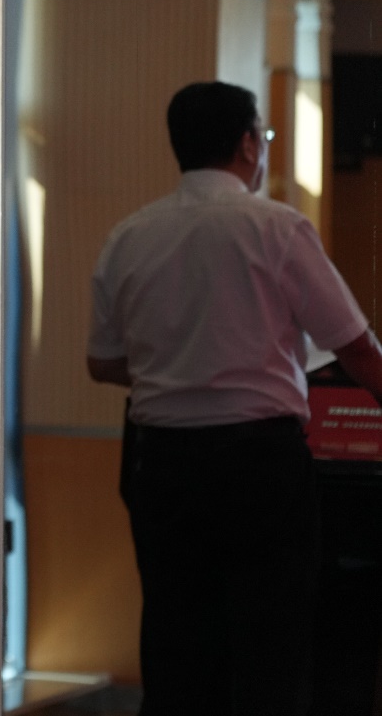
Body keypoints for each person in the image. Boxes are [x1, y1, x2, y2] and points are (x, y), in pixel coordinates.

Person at [86, 80, 382, 716]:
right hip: (260, 466)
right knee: (271, 643)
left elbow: (102, 363)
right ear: (249, 144)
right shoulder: (277, 228)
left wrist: (182, 368)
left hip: (161, 465)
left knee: (176, 639)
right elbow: (355, 346)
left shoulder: (129, 236)